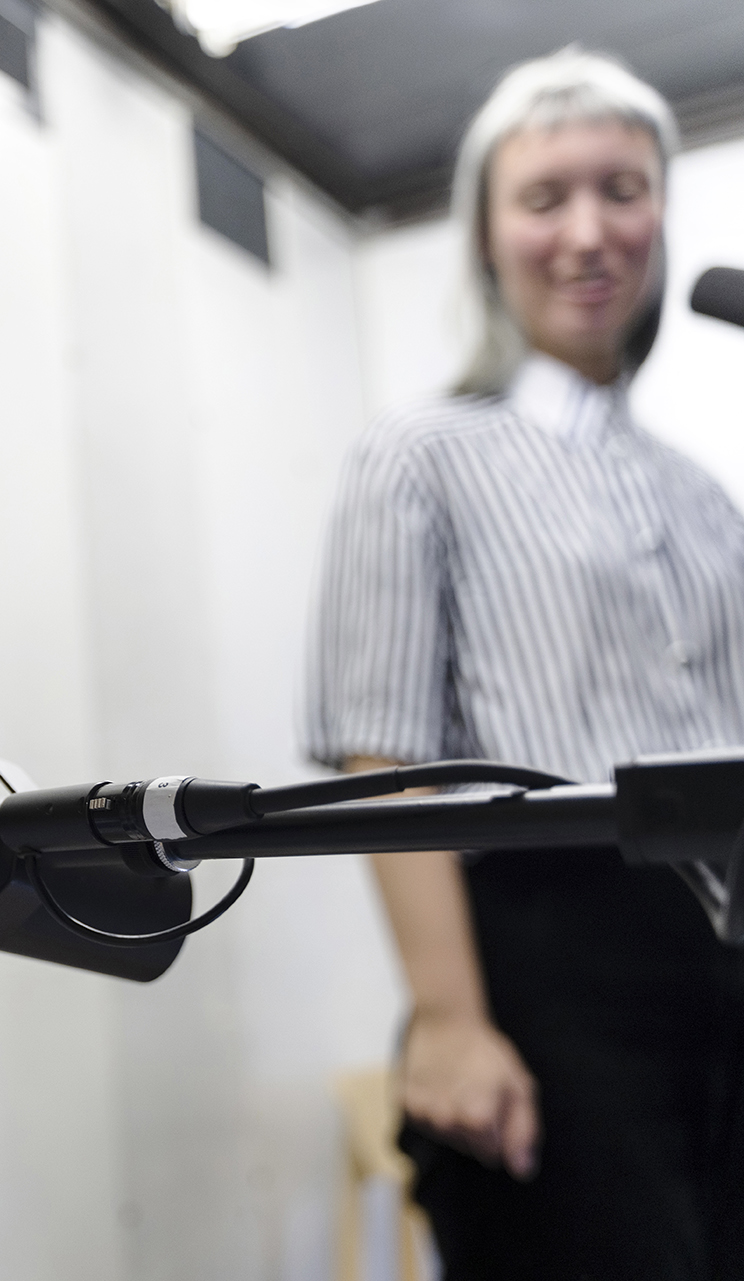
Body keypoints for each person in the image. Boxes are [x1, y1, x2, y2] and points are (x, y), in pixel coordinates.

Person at [307, 49, 744, 1279]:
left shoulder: (704, 494)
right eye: (546, 198)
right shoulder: (420, 457)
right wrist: (450, 1019)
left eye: (623, 190)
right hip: (548, 963)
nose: (589, 233)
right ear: (487, 238)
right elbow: (383, 753)